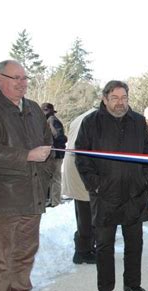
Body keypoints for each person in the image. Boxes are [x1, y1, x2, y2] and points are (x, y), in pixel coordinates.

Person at [75, 80, 148, 291]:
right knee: (105, 245)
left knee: (135, 243)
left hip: (134, 193)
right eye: (115, 98)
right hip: (104, 195)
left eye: (124, 98)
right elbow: (81, 156)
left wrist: (144, 181)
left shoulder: (138, 121)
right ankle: (105, 288)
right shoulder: (91, 122)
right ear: (105, 99)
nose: (120, 103)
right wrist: (95, 185)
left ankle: (133, 283)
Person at [0, 59, 53, 291]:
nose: (22, 83)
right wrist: (27, 155)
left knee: (26, 251)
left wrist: (46, 173)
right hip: (3, 198)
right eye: (16, 78)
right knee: (0, 258)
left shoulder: (34, 109)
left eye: (25, 78)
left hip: (33, 193)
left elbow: (49, 143)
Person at [62, 108, 97, 264]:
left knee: (84, 214)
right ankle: (83, 251)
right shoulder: (95, 119)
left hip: (77, 170)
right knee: (88, 215)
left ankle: (86, 248)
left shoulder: (82, 116)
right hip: (83, 172)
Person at [41, 102, 67, 207]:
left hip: (53, 154)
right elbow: (57, 136)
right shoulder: (50, 120)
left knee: (53, 178)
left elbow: (57, 136)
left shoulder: (50, 120)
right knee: (53, 177)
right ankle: (53, 200)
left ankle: (53, 200)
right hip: (53, 154)